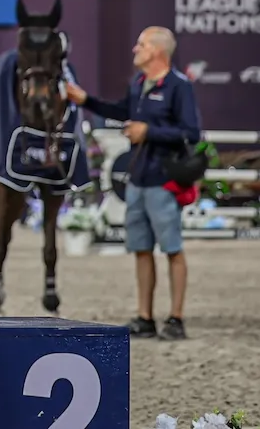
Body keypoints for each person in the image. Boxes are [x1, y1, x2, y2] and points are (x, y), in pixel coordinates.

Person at [63, 27, 201, 340]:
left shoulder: (179, 87)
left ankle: (176, 318)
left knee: (172, 249)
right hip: (138, 179)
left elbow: (191, 133)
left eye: (141, 44)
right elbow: (121, 111)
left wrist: (148, 132)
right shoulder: (139, 84)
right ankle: (145, 316)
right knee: (140, 249)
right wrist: (86, 100)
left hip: (164, 180)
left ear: (158, 51)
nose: (135, 49)